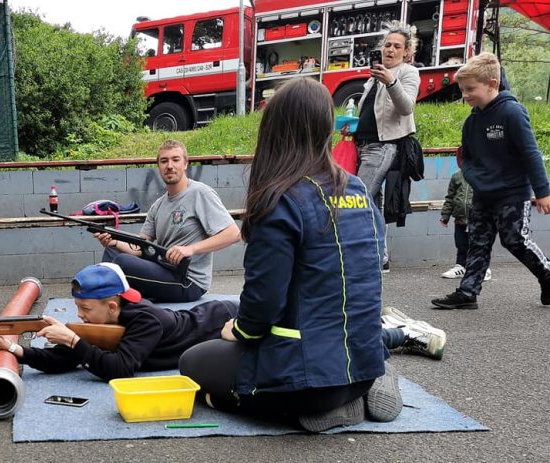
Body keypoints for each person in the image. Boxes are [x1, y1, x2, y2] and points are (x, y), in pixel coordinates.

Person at [178, 77, 403, 434]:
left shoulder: (281, 198)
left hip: (309, 383)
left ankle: (317, 409)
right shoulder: (358, 187)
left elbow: (263, 303)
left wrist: (239, 331)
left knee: (193, 363)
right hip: (364, 362)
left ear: (274, 130)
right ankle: (370, 384)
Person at [0, 262, 238, 381]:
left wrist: (75, 340)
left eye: (85, 308)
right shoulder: (107, 320)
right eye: (77, 307)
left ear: (112, 306)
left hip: (222, 318)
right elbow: (65, 358)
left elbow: (120, 369)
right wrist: (10, 348)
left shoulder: (146, 320)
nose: (79, 315)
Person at [431, 52, 550, 310]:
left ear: (493, 83)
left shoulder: (512, 112)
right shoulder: (472, 121)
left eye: (471, 89)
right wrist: (475, 178)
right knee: (478, 241)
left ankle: (547, 275)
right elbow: (467, 157)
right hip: (483, 195)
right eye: (462, 90)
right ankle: (468, 292)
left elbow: (530, 152)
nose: (465, 95)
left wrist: (543, 191)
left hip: (512, 193)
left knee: (515, 239)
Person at [96, 139, 240, 303]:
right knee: (112, 253)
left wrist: (190, 249)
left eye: (175, 159)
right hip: (163, 268)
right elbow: (140, 247)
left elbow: (233, 234)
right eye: (164, 161)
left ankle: (110, 301)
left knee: (122, 263)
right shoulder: (157, 206)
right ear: (159, 166)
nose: (169, 165)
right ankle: (106, 301)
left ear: (185, 164)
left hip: (188, 281)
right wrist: (114, 242)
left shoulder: (200, 193)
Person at [354, 22, 420, 273]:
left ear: (407, 52)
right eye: (387, 45)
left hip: (383, 147)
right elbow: (370, 111)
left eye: (397, 46)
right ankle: (380, 258)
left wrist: (392, 82)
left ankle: (357, 253)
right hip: (363, 145)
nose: (390, 50)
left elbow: (406, 108)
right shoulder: (374, 77)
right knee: (372, 204)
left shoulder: (407, 73)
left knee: (356, 198)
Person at [439, 153, 491, 281]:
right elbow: (450, 198)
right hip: (460, 219)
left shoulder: (484, 175)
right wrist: (445, 216)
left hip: (478, 219)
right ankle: (461, 266)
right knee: (461, 244)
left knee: (478, 245)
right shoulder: (456, 176)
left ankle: (483, 268)